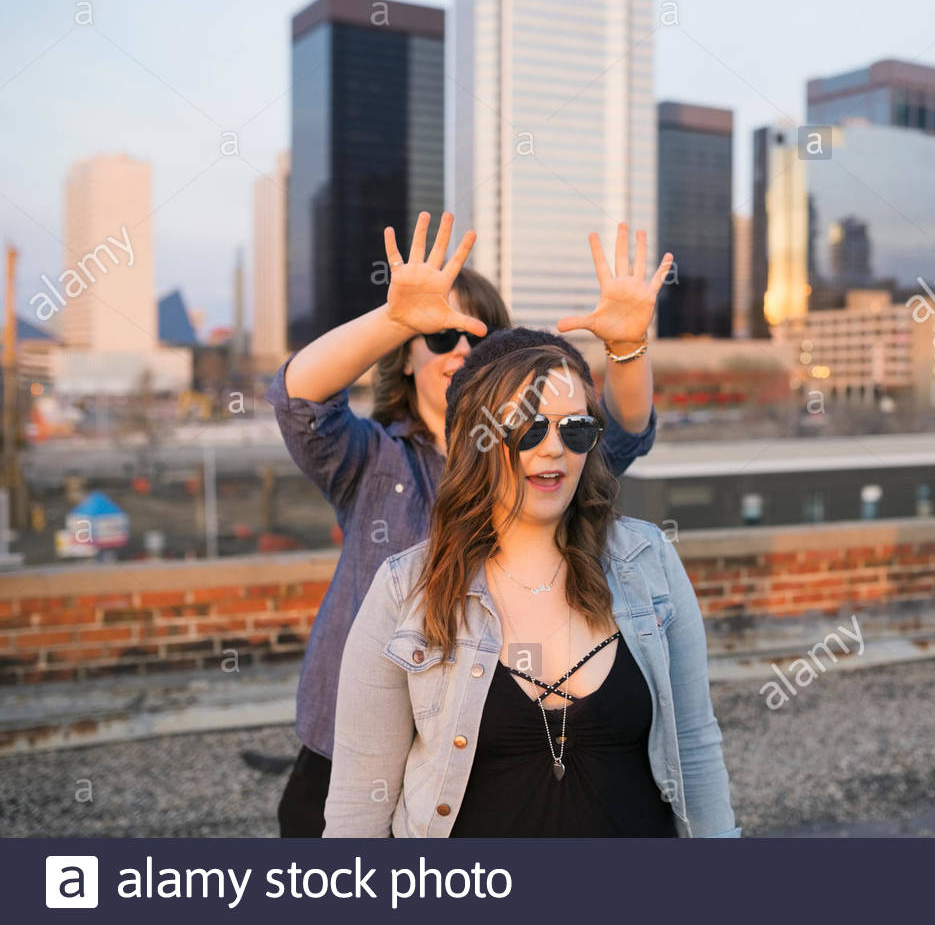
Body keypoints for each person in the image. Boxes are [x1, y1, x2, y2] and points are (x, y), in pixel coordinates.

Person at [266, 211, 668, 836]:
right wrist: (396, 320)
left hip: (493, 741)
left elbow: (625, 428)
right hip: (358, 739)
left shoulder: (547, 452)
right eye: (438, 336)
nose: (459, 350)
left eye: (478, 339)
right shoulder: (375, 458)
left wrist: (627, 348)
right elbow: (299, 398)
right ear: (404, 359)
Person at [322, 329, 739, 837]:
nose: (554, 449)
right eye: (528, 428)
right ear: (476, 440)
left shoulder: (648, 562)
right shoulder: (405, 590)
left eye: (576, 429)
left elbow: (694, 747)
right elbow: (358, 807)